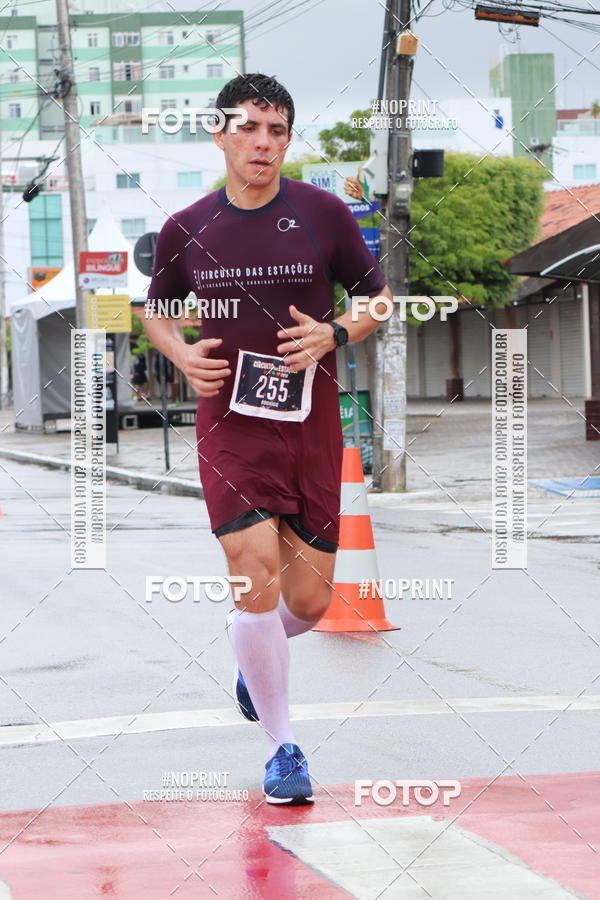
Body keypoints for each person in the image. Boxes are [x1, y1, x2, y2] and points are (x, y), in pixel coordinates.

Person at [144, 73, 392, 805]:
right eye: (249, 127)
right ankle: (285, 747)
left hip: (310, 425)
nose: (263, 143)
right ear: (219, 134)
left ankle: (253, 655)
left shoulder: (323, 214)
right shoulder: (185, 228)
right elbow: (157, 310)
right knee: (251, 572)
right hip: (230, 427)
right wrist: (180, 352)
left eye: (277, 131)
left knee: (309, 605)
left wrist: (337, 331)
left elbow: (377, 297)